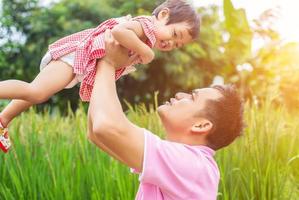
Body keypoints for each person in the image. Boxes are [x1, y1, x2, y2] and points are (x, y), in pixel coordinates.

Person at [0, 0, 200, 153]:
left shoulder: (147, 37)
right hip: (75, 55)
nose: (171, 44)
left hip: (80, 65)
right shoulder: (145, 26)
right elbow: (119, 32)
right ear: (164, 15)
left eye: (177, 45)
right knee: (36, 92)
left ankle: (3, 119)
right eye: (175, 34)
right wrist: (145, 52)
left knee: (35, 93)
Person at [88, 30, 244, 199]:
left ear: (201, 125)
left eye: (192, 97)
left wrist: (109, 62)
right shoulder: (182, 164)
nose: (179, 95)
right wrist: (104, 65)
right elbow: (96, 133)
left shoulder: (194, 166)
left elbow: (106, 127)